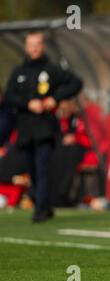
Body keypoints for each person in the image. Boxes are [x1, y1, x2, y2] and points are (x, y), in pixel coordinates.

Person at [4, 31, 82, 222]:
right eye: (31, 45)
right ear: (26, 47)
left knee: (42, 167)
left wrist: (54, 99)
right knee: (32, 170)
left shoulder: (52, 69)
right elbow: (9, 95)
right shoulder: (19, 72)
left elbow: (76, 82)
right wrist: (28, 103)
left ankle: (40, 208)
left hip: (45, 128)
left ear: (43, 46)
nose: (34, 48)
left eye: (37, 44)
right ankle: (44, 204)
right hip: (26, 130)